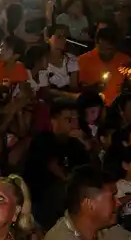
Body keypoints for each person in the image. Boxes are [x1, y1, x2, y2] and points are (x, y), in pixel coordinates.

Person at [24, 98, 92, 228]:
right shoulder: (44, 139)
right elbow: (52, 166)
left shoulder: (76, 144)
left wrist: (87, 146)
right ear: (54, 121)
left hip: (66, 199)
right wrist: (70, 182)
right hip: (42, 200)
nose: (74, 124)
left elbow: (87, 170)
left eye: (76, 119)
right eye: (68, 120)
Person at [77, 26, 131, 105]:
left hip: (116, 107)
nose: (104, 52)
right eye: (101, 48)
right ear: (96, 44)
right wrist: (93, 88)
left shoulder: (125, 60)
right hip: (91, 106)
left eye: (108, 49)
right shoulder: (82, 60)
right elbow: (77, 89)